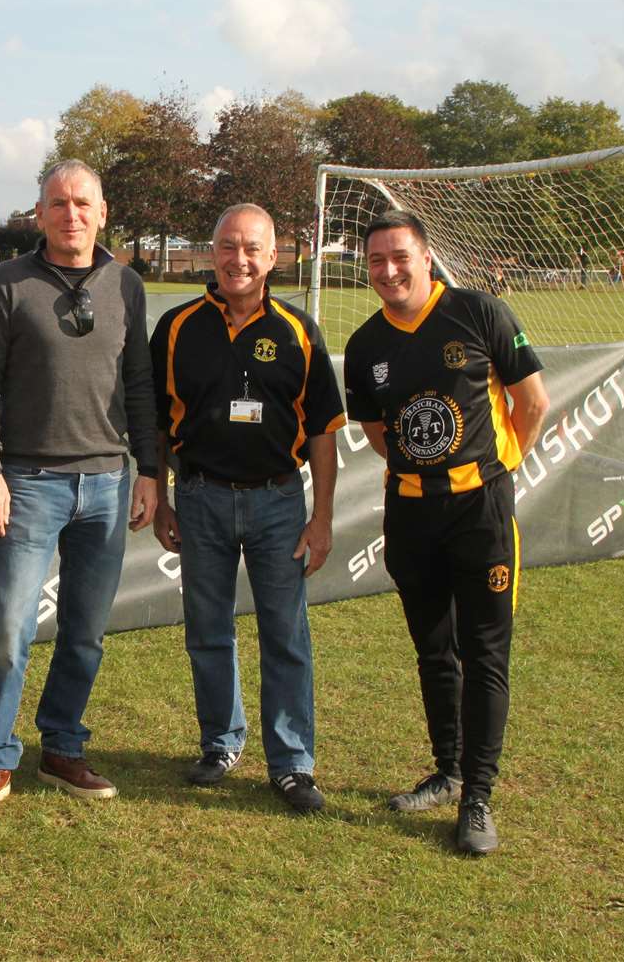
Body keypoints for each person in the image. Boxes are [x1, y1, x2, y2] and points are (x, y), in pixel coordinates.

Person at [0, 158, 158, 822]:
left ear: (102, 213)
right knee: (10, 630)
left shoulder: (127, 285)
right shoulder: (8, 285)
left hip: (106, 482)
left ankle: (63, 745)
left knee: (85, 633)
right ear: (38, 214)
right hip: (27, 482)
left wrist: (150, 471)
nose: (71, 214)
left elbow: (140, 387)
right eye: (58, 203)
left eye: (83, 204)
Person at [342, 210, 550, 856]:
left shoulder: (480, 312)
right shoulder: (365, 345)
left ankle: (478, 797)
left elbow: (533, 401)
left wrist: (497, 469)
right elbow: (379, 433)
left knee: (486, 651)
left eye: (399, 256)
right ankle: (448, 768)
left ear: (426, 257)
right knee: (434, 651)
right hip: (410, 516)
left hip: (480, 512)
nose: (388, 270)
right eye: (376, 261)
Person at [149, 203, 345, 814]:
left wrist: (323, 518)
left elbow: (322, 433)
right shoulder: (177, 326)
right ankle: (220, 743)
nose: (240, 259)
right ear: (212, 252)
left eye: (253, 248)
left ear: (274, 256)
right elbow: (157, 421)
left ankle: (291, 763)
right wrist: (159, 496)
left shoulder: (298, 330)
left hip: (280, 502)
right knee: (208, 630)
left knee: (285, 634)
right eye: (229, 246)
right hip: (200, 497)